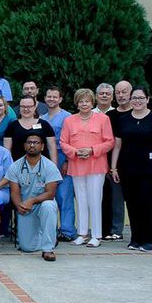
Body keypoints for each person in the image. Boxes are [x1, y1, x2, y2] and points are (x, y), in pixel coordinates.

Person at [110, 86, 152, 252]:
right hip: (127, 170)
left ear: (147, 99)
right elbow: (117, 146)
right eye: (134, 98)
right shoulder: (124, 120)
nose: (137, 101)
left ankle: (150, 240)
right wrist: (114, 168)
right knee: (132, 204)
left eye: (140, 98)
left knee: (145, 204)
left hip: (150, 170)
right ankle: (136, 239)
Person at [60, 89, 114, 247]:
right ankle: (82, 233)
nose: (84, 104)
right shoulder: (69, 120)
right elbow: (63, 142)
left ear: (92, 102)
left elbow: (109, 141)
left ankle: (96, 235)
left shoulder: (103, 119)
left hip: (96, 165)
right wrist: (75, 152)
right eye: (81, 101)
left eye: (87, 101)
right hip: (76, 165)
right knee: (81, 200)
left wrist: (92, 150)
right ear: (76, 103)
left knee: (95, 200)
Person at [6, 132, 62, 261]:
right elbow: (14, 192)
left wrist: (32, 200)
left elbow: (50, 193)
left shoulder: (49, 166)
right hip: (25, 207)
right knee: (27, 247)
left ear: (42, 146)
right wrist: (19, 205)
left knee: (49, 205)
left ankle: (48, 249)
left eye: (36, 142)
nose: (32, 145)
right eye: (29, 142)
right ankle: (51, 237)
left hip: (41, 204)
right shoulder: (15, 166)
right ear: (25, 146)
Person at [40, 86, 75, 241]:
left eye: (55, 97)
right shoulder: (42, 118)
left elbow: (73, 140)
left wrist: (67, 161)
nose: (51, 99)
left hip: (63, 156)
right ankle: (51, 229)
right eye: (49, 96)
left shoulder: (68, 117)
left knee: (64, 195)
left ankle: (67, 231)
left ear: (60, 99)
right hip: (45, 157)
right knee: (48, 195)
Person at [103, 80, 132, 241]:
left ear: (131, 93)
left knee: (138, 200)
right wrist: (110, 166)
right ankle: (116, 230)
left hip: (136, 163)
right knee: (116, 200)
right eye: (118, 92)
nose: (121, 95)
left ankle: (140, 231)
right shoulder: (110, 116)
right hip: (114, 164)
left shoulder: (138, 112)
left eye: (124, 92)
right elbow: (108, 140)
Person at [4, 95, 57, 161]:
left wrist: (54, 167)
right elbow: (7, 150)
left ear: (34, 107)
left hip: (42, 167)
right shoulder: (12, 126)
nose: (26, 109)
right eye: (23, 106)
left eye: (29, 106)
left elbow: (52, 148)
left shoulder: (45, 125)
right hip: (18, 167)